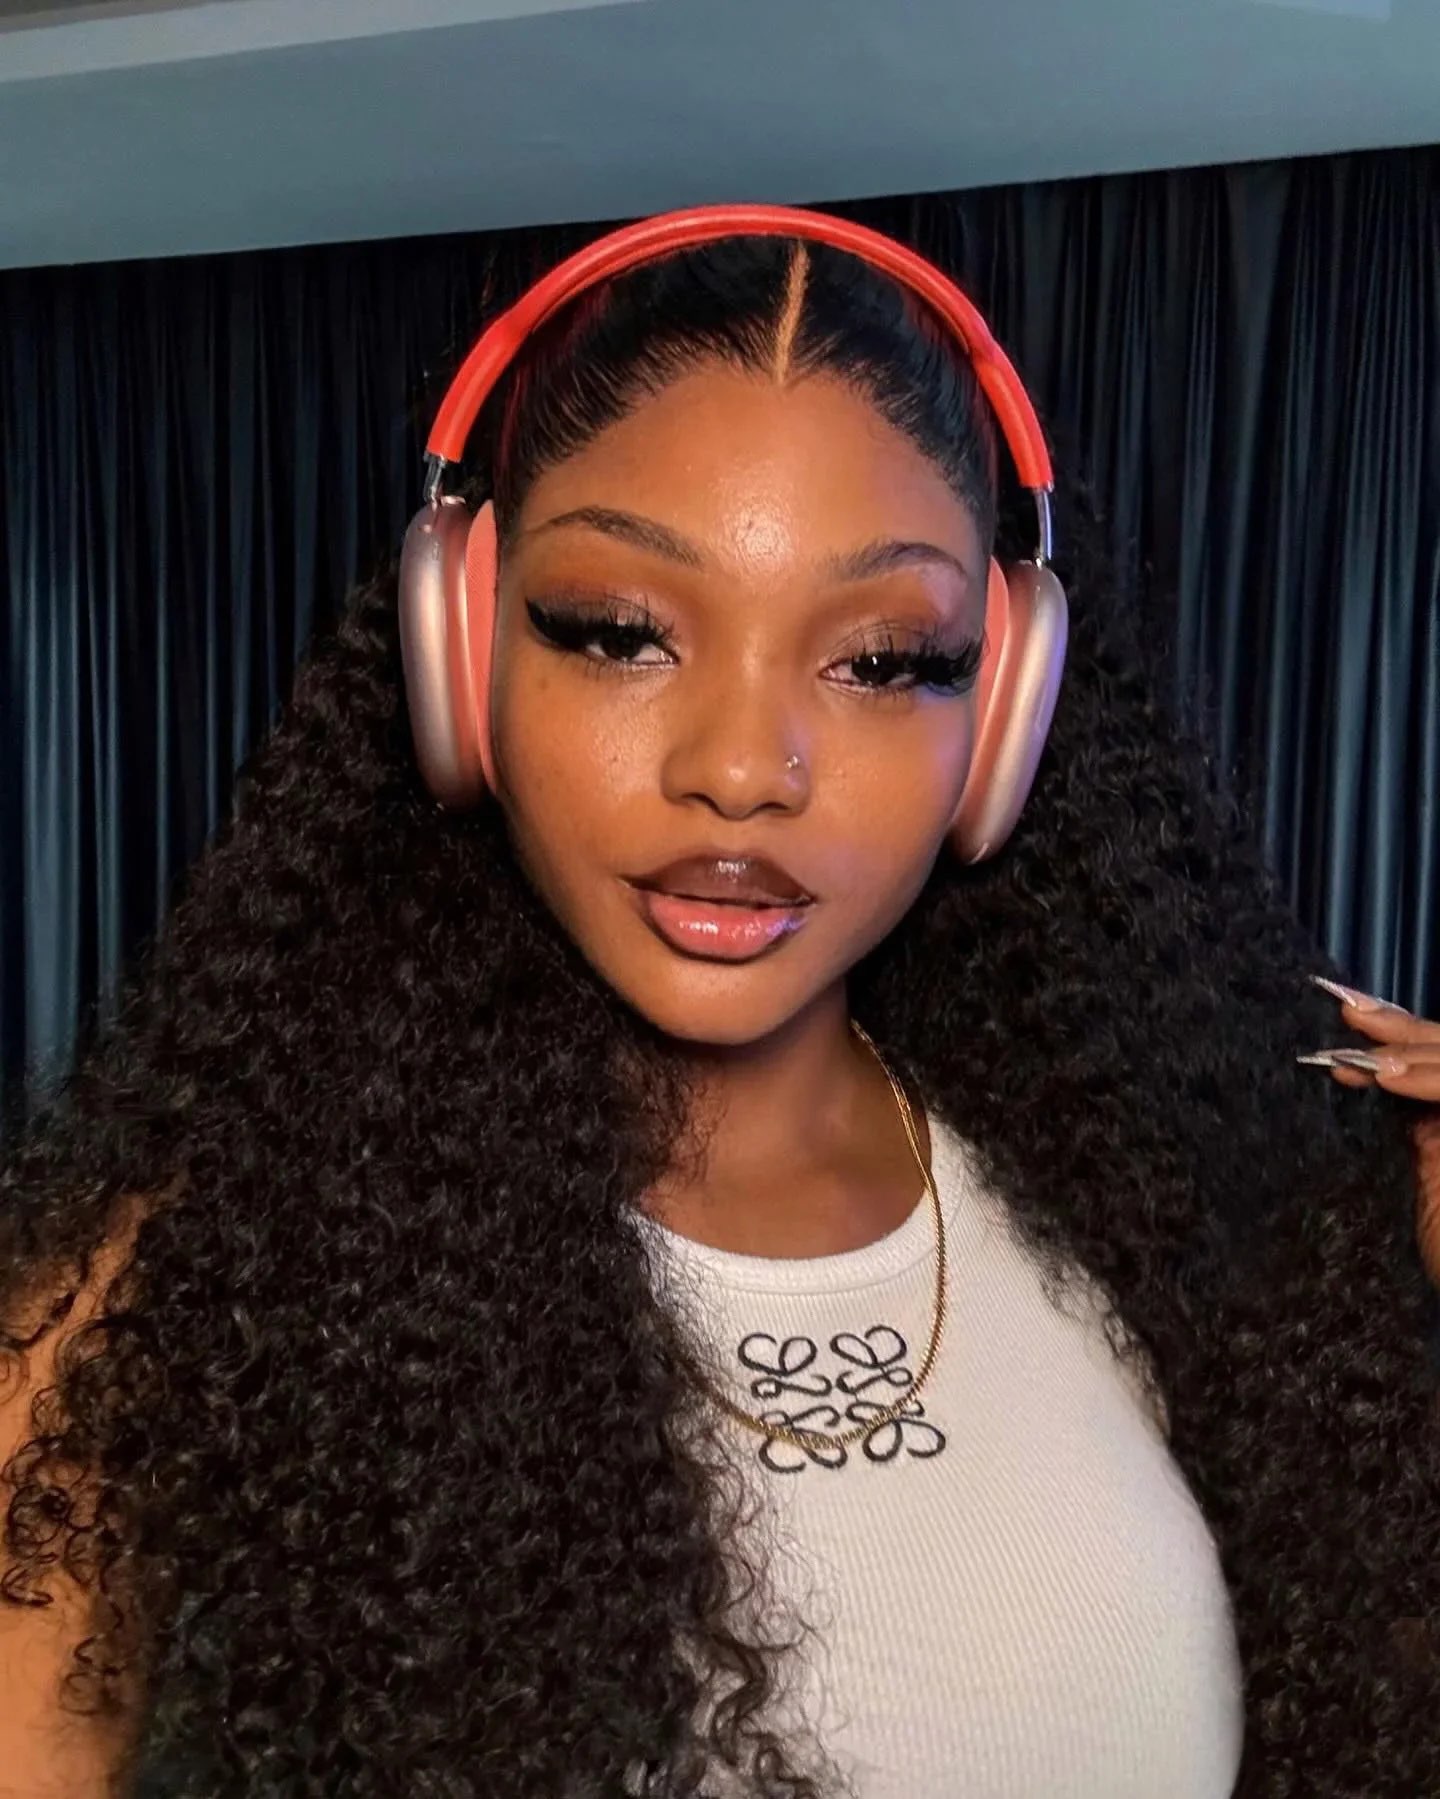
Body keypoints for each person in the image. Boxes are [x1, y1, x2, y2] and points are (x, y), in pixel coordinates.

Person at [1, 205, 1439, 1799]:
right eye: (620, 633)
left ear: (1007, 713)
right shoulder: (160, 1298)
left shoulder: (1190, 1226)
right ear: (461, 648)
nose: (745, 770)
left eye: (884, 660)